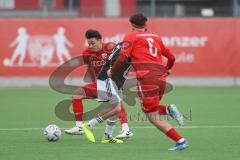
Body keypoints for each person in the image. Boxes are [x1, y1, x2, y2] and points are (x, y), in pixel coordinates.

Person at [106, 13, 188, 151]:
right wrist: (168, 69)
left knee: (151, 115)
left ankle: (180, 140)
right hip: (161, 77)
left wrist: (112, 71)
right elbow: (171, 56)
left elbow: (122, 57)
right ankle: (168, 110)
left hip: (147, 79)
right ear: (146, 23)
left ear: (131, 24)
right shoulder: (155, 37)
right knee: (153, 110)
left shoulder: (130, 37)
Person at [64, 29, 133, 139]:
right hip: (100, 82)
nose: (91, 46)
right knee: (77, 96)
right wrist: (95, 85)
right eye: (89, 43)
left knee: (116, 105)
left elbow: (121, 62)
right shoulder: (87, 53)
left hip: (112, 80)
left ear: (100, 40)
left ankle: (124, 130)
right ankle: (81, 127)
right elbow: (90, 69)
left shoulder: (110, 49)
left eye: (93, 43)